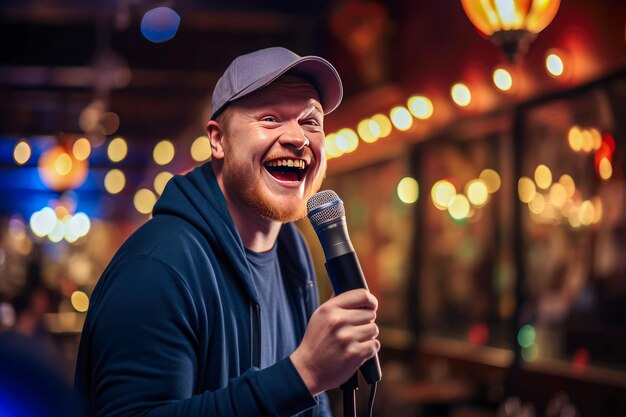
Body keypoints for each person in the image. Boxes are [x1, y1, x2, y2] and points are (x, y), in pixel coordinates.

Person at [74, 46, 380, 417]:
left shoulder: (292, 250)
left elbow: (309, 406)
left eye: (311, 121)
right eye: (269, 118)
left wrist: (309, 382)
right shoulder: (157, 267)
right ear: (218, 140)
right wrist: (302, 375)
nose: (297, 138)